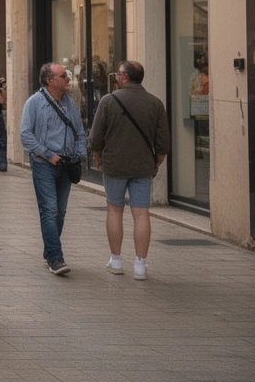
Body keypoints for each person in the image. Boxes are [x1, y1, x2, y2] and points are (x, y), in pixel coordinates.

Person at [89, 61, 169, 281]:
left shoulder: (108, 101)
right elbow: (163, 143)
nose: (116, 77)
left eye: (118, 74)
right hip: (143, 166)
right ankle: (140, 265)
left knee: (115, 210)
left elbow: (95, 138)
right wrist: (155, 163)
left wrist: (99, 159)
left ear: (124, 77)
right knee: (141, 213)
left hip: (114, 165)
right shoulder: (155, 103)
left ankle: (116, 260)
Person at [19, 62, 86, 276]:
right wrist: (48, 154)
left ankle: (49, 251)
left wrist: (80, 154)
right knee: (49, 210)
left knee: (61, 212)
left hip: (67, 164)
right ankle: (56, 257)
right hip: (44, 165)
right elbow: (25, 135)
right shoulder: (34, 103)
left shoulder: (69, 103)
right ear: (50, 80)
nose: (67, 79)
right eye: (63, 76)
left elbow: (80, 131)